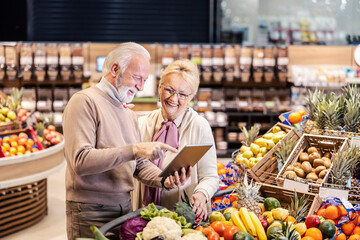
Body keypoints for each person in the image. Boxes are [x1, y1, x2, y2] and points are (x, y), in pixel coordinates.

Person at [62, 42, 192, 240]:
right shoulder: (84, 101)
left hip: (125, 208)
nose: (140, 87)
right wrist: (135, 149)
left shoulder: (128, 113)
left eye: (144, 80)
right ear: (115, 69)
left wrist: (165, 179)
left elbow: (137, 163)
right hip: (90, 211)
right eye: (137, 77)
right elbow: (80, 160)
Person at [133, 59, 219, 220]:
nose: (173, 99)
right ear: (159, 88)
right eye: (169, 90)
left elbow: (210, 176)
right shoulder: (142, 124)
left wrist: (201, 194)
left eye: (182, 94)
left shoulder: (199, 126)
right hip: (143, 213)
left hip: (183, 216)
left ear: (191, 96)